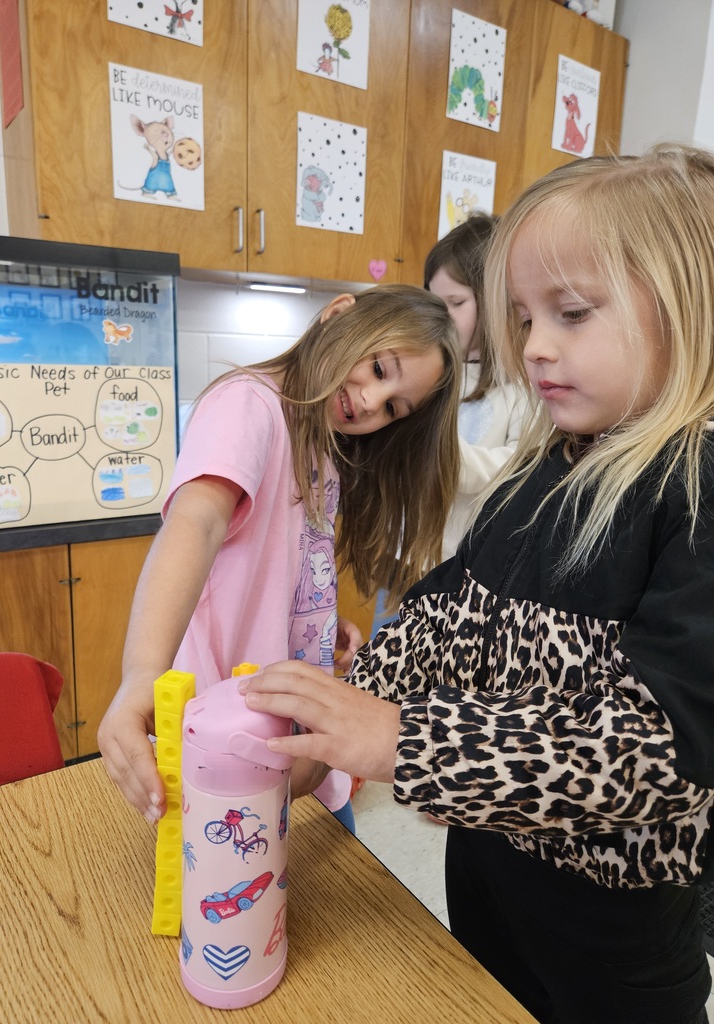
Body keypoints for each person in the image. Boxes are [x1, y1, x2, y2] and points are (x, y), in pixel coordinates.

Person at [238, 145, 714, 1024]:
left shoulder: (696, 485)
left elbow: (664, 751)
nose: (533, 347)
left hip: (613, 946)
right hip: (488, 883)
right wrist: (341, 721)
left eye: (571, 312)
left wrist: (407, 742)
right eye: (524, 319)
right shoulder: (544, 469)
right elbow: (445, 613)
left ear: (690, 304)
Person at [98, 283, 462, 835]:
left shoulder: (321, 441)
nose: (370, 402)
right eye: (377, 368)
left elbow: (275, 565)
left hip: (292, 746)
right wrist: (143, 674)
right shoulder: (249, 403)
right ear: (338, 314)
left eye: (393, 407)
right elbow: (197, 522)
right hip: (228, 744)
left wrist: (316, 624)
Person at [425, 212, 528, 559]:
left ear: (495, 301)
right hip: (409, 556)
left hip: (468, 564)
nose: (440, 317)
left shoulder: (524, 384)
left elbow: (518, 468)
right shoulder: (432, 371)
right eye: (434, 303)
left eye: (455, 303)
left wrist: (443, 457)